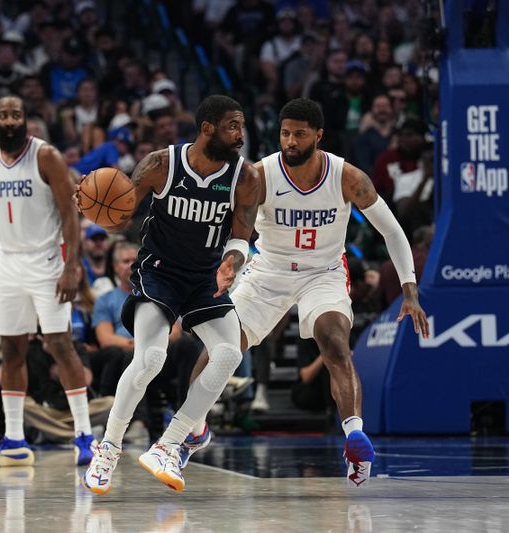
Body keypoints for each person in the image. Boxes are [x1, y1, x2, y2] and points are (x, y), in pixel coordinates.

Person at [184, 98, 429, 488]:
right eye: (285, 133)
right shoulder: (259, 175)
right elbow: (242, 231)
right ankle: (193, 428)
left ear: (318, 135)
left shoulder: (347, 176)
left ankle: (354, 437)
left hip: (324, 272)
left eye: (299, 133)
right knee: (220, 347)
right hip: (269, 270)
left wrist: (409, 289)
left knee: (335, 343)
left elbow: (393, 231)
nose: (290, 141)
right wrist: (232, 260)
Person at [80, 94, 260, 495]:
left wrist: (232, 260)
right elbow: (119, 214)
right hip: (159, 272)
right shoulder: (162, 164)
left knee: (230, 353)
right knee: (150, 357)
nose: (240, 135)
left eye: (242, 126)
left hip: (204, 278)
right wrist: (93, 210)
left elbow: (242, 233)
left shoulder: (245, 177)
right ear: (207, 128)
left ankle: (170, 444)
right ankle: (107, 448)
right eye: (233, 126)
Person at [0, 95, 94, 467]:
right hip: (7, 261)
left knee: (59, 344)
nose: (10, 121)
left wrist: (71, 265)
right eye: (4, 115)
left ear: (26, 119)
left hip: (46, 262)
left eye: (16, 115)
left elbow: (70, 214)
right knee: (11, 349)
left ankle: (84, 434)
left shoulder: (47, 156)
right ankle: (14, 441)